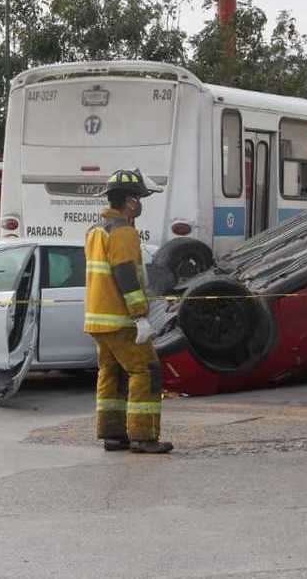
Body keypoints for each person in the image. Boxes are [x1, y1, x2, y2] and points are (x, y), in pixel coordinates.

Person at [85, 169, 173, 455]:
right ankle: (143, 436)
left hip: (97, 320)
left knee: (110, 372)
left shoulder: (95, 232)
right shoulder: (123, 233)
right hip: (121, 319)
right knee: (144, 370)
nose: (141, 204)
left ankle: (113, 434)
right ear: (131, 202)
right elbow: (125, 277)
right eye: (140, 198)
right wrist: (140, 316)